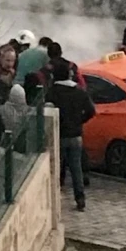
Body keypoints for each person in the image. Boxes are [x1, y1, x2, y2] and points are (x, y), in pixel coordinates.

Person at [46, 62, 96, 212]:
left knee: (56, 168)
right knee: (76, 168)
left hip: (58, 135)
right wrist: (79, 121)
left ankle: (56, 197)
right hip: (76, 135)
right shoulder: (80, 92)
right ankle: (80, 198)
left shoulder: (52, 93)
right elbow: (91, 111)